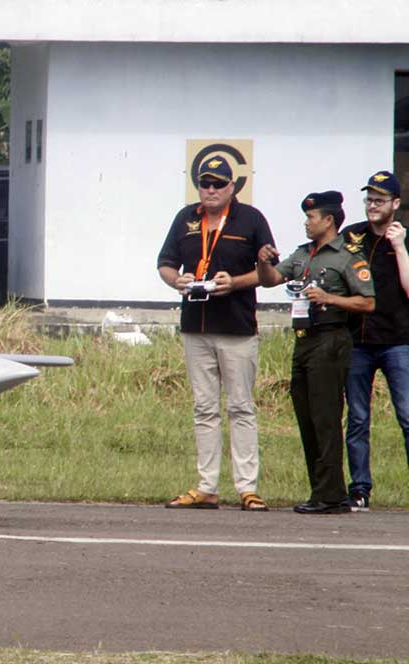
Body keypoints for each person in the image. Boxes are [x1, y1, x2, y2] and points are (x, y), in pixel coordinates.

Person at [156, 155, 275, 511]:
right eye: (204, 184)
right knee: (204, 408)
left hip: (236, 326)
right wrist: (176, 279)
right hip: (196, 324)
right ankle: (207, 486)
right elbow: (165, 263)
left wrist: (234, 282)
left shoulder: (251, 219)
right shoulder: (185, 218)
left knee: (240, 407)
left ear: (232, 187)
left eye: (218, 184)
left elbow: (270, 274)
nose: (210, 190)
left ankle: (247, 488)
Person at [256, 191, 375, 514]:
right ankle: (319, 491)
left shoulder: (348, 256)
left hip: (331, 338)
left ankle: (332, 495)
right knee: (306, 415)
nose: (306, 223)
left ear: (329, 220)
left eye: (311, 217)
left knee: (325, 418)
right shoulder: (303, 254)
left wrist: (330, 297)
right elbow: (270, 280)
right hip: (304, 339)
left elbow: (367, 302)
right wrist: (262, 260)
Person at [340, 171, 408, 511]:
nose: (372, 206)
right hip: (358, 339)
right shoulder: (351, 235)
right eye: (369, 199)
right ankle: (360, 488)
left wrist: (399, 246)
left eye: (380, 200)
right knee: (357, 417)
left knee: (407, 415)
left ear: (395, 204)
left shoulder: (405, 237)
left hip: (398, 338)